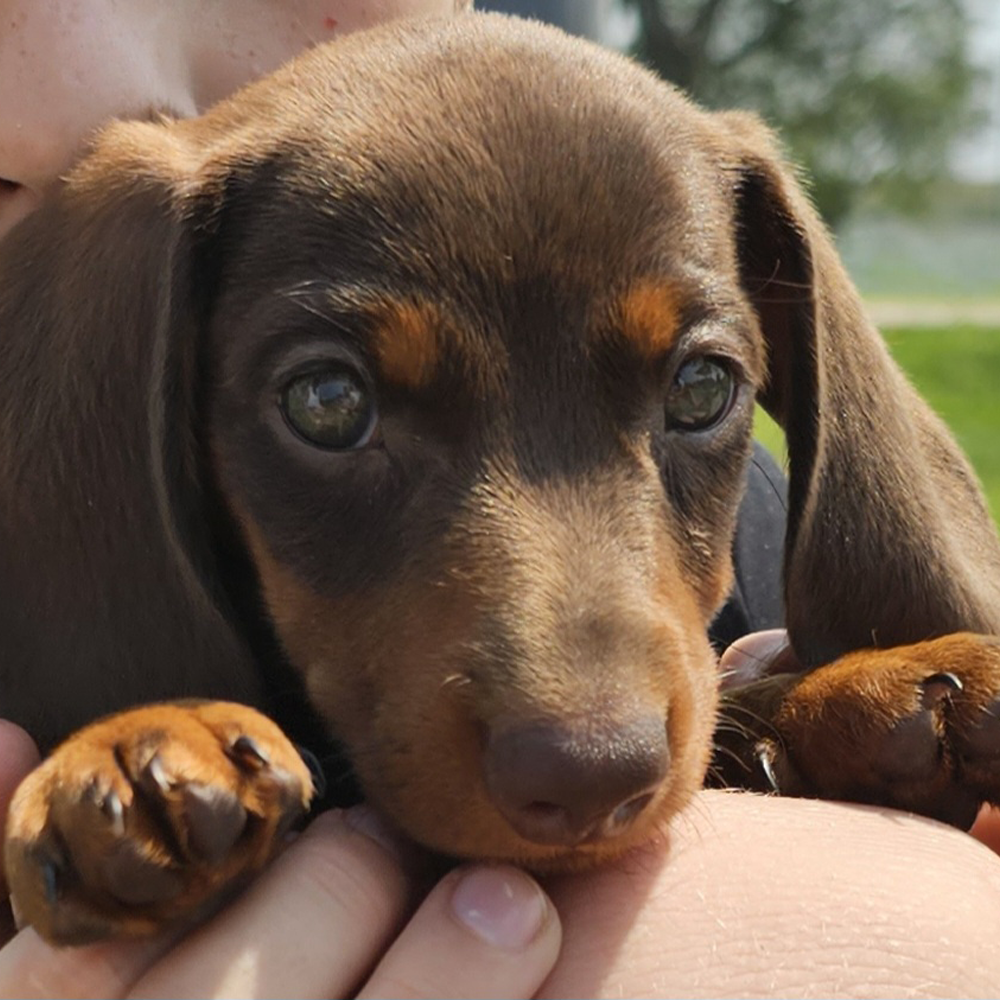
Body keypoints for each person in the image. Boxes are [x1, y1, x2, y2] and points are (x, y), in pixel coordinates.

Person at [3, 2, 1000, 996]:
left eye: (697, 391)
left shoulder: (768, 552)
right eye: (332, 402)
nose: (589, 725)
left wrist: (840, 795)